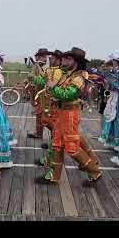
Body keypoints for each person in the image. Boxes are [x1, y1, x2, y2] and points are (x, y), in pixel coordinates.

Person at [36, 47, 102, 185]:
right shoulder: (68, 74)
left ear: (76, 61)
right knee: (57, 144)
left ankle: (94, 171)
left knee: (72, 147)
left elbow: (68, 94)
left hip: (70, 114)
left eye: (68, 58)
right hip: (61, 112)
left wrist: (53, 87)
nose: (64, 60)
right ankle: (53, 175)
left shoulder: (79, 77)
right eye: (65, 58)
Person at [27, 48, 50, 139]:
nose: (39, 57)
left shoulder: (49, 66)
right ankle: (38, 133)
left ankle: (46, 134)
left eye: (41, 55)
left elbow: (44, 81)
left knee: (45, 116)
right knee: (38, 114)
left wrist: (33, 78)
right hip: (38, 93)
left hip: (46, 94)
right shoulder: (37, 65)